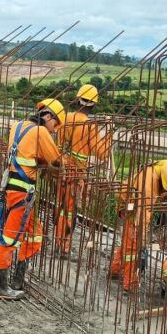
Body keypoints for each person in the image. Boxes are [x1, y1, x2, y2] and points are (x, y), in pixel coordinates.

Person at [0, 99, 66, 300]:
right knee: (10, 237)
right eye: (55, 124)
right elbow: (55, 161)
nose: (53, 130)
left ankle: (17, 279)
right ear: (48, 116)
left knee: (34, 232)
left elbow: (28, 154)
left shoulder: (18, 126)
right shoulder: (40, 132)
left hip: (15, 189)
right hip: (21, 193)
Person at [110, 158, 167, 291]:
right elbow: (142, 215)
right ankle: (130, 283)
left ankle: (115, 269)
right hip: (130, 205)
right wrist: (142, 244)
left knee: (127, 241)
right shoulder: (148, 182)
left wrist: (166, 207)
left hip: (140, 204)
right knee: (133, 244)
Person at [54, 84, 112, 256]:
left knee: (60, 205)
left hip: (62, 168)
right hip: (76, 172)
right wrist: (108, 132)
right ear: (93, 105)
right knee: (70, 209)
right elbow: (102, 154)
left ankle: (59, 242)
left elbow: (58, 143)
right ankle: (64, 246)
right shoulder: (90, 126)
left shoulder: (66, 118)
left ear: (77, 100)